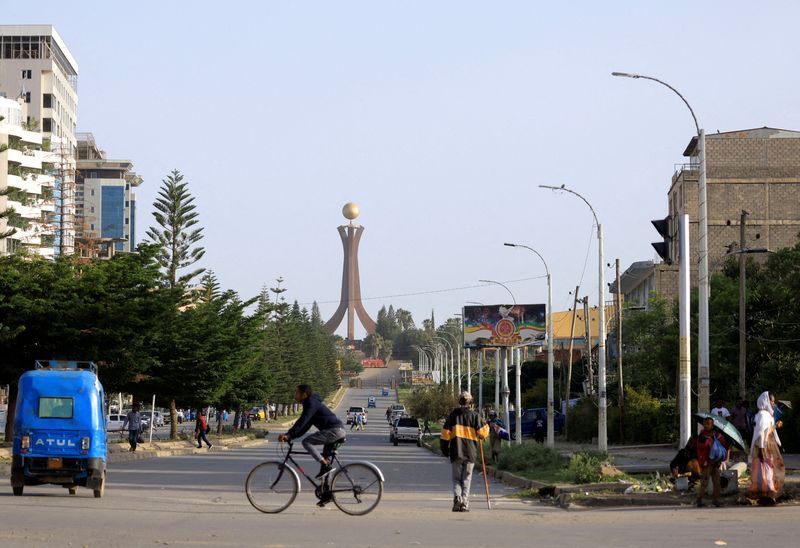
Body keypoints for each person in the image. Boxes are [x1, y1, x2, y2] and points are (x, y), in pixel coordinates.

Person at [278, 384, 346, 488]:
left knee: (307, 442)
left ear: (304, 395)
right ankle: (327, 490)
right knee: (326, 461)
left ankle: (324, 464)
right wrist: (291, 436)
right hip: (337, 431)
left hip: (334, 430)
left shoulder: (310, 403)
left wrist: (289, 434)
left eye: (297, 393)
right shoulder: (311, 403)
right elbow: (305, 426)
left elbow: (302, 421)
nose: (295, 395)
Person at [440, 391, 489, 512]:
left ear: (459, 401)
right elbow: (483, 433)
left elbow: (445, 434)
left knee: (456, 479)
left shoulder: (452, 416)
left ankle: (457, 498)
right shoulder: (475, 416)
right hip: (470, 453)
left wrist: (445, 450)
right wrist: (486, 425)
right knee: (466, 479)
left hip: (456, 452)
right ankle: (464, 504)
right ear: (470, 402)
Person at [748, 391, 785, 503]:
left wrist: (775, 425)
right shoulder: (763, 415)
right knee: (765, 470)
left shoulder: (766, 414)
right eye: (771, 401)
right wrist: (761, 450)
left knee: (768, 470)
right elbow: (761, 434)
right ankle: (766, 494)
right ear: (766, 402)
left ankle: (768, 494)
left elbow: (768, 429)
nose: (773, 404)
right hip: (764, 446)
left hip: (768, 445)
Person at [695, 417, 728, 508]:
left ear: (712, 425)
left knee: (717, 482)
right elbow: (701, 448)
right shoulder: (702, 436)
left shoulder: (716, 435)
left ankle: (716, 500)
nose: (706, 426)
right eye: (705, 424)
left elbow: (722, 446)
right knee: (704, 482)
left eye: (708, 424)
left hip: (715, 462)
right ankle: (699, 500)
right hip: (707, 463)